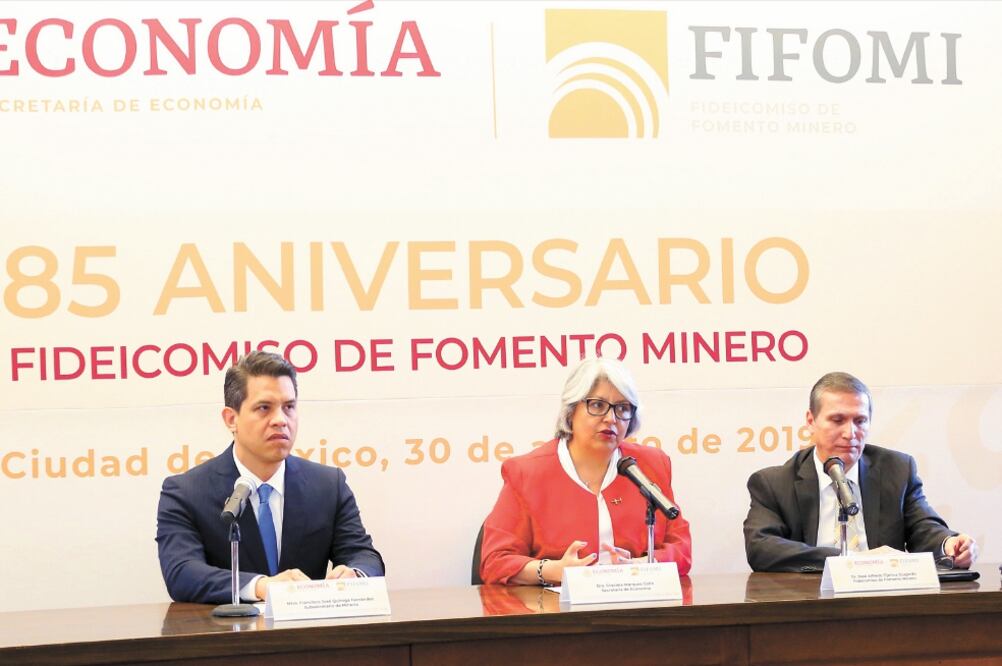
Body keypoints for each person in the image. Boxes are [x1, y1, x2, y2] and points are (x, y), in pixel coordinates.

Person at [156, 351, 384, 603]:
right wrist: (262, 587)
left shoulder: (328, 485)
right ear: (232, 419)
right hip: (229, 637)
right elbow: (182, 573)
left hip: (310, 637)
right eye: (264, 408)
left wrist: (354, 574)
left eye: (289, 407)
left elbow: (364, 556)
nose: (280, 420)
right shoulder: (185, 492)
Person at [479, 357, 692, 585]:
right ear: (571, 411)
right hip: (558, 613)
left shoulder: (650, 465)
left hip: (635, 606)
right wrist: (553, 570)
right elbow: (494, 561)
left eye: (622, 408)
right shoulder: (526, 473)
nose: (611, 418)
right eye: (598, 405)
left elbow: (682, 550)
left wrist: (641, 566)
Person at [743, 371, 978, 573]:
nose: (850, 432)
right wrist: (846, 563)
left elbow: (924, 529)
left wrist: (949, 544)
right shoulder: (774, 483)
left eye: (860, 421)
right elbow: (761, 547)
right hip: (809, 603)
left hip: (883, 603)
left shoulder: (897, 470)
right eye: (837, 420)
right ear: (811, 421)